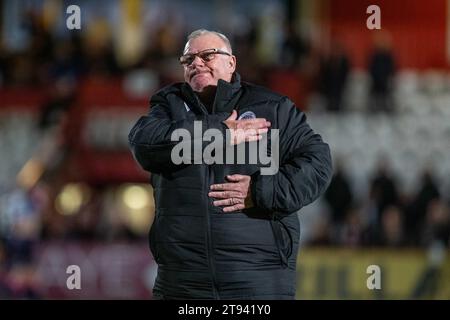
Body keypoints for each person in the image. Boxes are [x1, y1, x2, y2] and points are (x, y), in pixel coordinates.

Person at [128, 29, 332, 300]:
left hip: (258, 280)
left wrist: (260, 191)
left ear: (231, 62)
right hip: (182, 283)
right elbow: (143, 144)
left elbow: (318, 163)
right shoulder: (169, 107)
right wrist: (222, 132)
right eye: (188, 60)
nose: (196, 63)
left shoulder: (273, 108)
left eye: (207, 55)